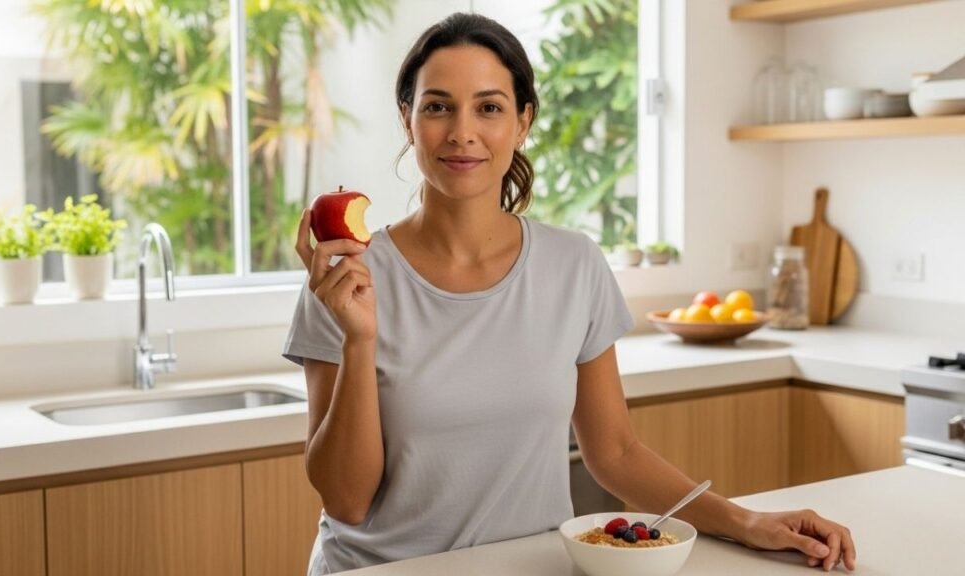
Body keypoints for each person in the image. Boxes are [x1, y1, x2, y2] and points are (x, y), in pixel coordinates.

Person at [283, 12, 856, 576]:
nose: (462, 132)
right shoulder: (347, 279)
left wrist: (744, 520)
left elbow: (615, 453)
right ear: (407, 119)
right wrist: (360, 340)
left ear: (523, 120)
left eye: (489, 107)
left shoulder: (573, 264)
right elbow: (346, 502)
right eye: (437, 106)